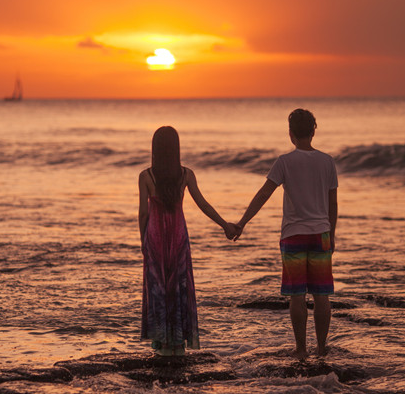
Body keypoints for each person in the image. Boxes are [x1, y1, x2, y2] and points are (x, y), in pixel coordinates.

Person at [231, 109, 338, 360]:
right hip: (321, 233)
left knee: (297, 296)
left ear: (291, 134)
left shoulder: (284, 162)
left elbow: (263, 194)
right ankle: (321, 349)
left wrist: (242, 222)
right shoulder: (327, 161)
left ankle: (301, 349)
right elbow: (333, 203)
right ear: (313, 131)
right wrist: (331, 233)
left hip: (293, 235)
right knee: (322, 296)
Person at [139, 126, 237, 356]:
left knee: (158, 287)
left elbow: (143, 213)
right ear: (176, 149)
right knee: (180, 285)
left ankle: (163, 343)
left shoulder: (146, 176)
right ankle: (178, 343)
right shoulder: (186, 174)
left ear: (155, 149)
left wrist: (143, 240)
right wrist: (225, 225)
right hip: (178, 235)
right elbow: (203, 204)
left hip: (155, 237)